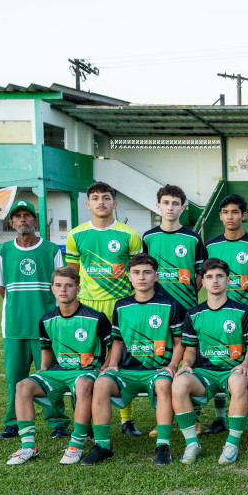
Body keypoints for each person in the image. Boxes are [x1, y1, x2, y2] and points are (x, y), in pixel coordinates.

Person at [83, 254, 185, 466]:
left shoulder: (171, 304)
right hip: (127, 371)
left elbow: (179, 342)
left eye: (147, 273)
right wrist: (112, 364)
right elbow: (118, 341)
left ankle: (163, 446)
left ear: (156, 276)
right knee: (101, 383)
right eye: (136, 273)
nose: (142, 277)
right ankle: (103, 445)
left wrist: (172, 365)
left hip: (157, 370)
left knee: (164, 385)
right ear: (129, 277)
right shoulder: (121, 305)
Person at [6, 266, 110, 465]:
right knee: (22, 386)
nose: (63, 290)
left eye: (69, 285)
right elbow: (47, 349)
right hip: (58, 372)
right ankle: (28, 446)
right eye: (59, 285)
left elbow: (113, 345)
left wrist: (105, 367)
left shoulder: (96, 317)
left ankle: (76, 444)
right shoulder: (46, 320)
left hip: (87, 371)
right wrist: (44, 369)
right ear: (52, 289)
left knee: (83, 385)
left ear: (77, 289)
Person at [66, 181, 144, 436]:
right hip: (88, 307)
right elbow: (72, 276)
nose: (101, 202)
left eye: (106, 197)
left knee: (120, 362)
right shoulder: (76, 235)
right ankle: (85, 421)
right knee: (85, 362)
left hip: (121, 305)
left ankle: (126, 419)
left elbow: (137, 274)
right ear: (88, 203)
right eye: (96, 198)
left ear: (114, 203)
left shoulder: (129, 235)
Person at [0, 199, 70, 441]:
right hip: (14, 327)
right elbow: (2, 288)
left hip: (46, 327)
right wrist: (19, 308)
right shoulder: (4, 251)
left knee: (49, 376)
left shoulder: (51, 250)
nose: (22, 220)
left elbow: (61, 285)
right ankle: (14, 422)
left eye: (27, 215)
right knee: (14, 379)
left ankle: (58, 422)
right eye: (18, 216)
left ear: (35, 221)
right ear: (11, 223)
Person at [172, 258, 248, 465]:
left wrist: (245, 364)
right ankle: (192, 444)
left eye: (220, 276)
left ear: (228, 280)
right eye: (209, 277)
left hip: (233, 370)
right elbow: (190, 350)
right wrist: (186, 365)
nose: (215, 281)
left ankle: (231, 444)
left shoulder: (243, 311)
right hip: (205, 373)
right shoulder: (193, 314)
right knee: (179, 383)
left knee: (238, 381)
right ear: (203, 281)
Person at [141, 184, 209, 438]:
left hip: (187, 309)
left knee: (190, 363)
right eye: (166, 203)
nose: (170, 208)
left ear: (183, 208)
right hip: (157, 311)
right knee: (161, 363)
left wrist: (189, 294)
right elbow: (144, 269)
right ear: (158, 206)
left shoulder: (193, 238)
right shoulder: (148, 237)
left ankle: (195, 418)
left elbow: (201, 273)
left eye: (175, 203)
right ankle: (163, 418)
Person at [206, 194, 248, 313]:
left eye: (235, 212)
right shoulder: (210, 247)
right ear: (220, 216)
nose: (230, 217)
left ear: (243, 215)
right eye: (225, 212)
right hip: (218, 311)